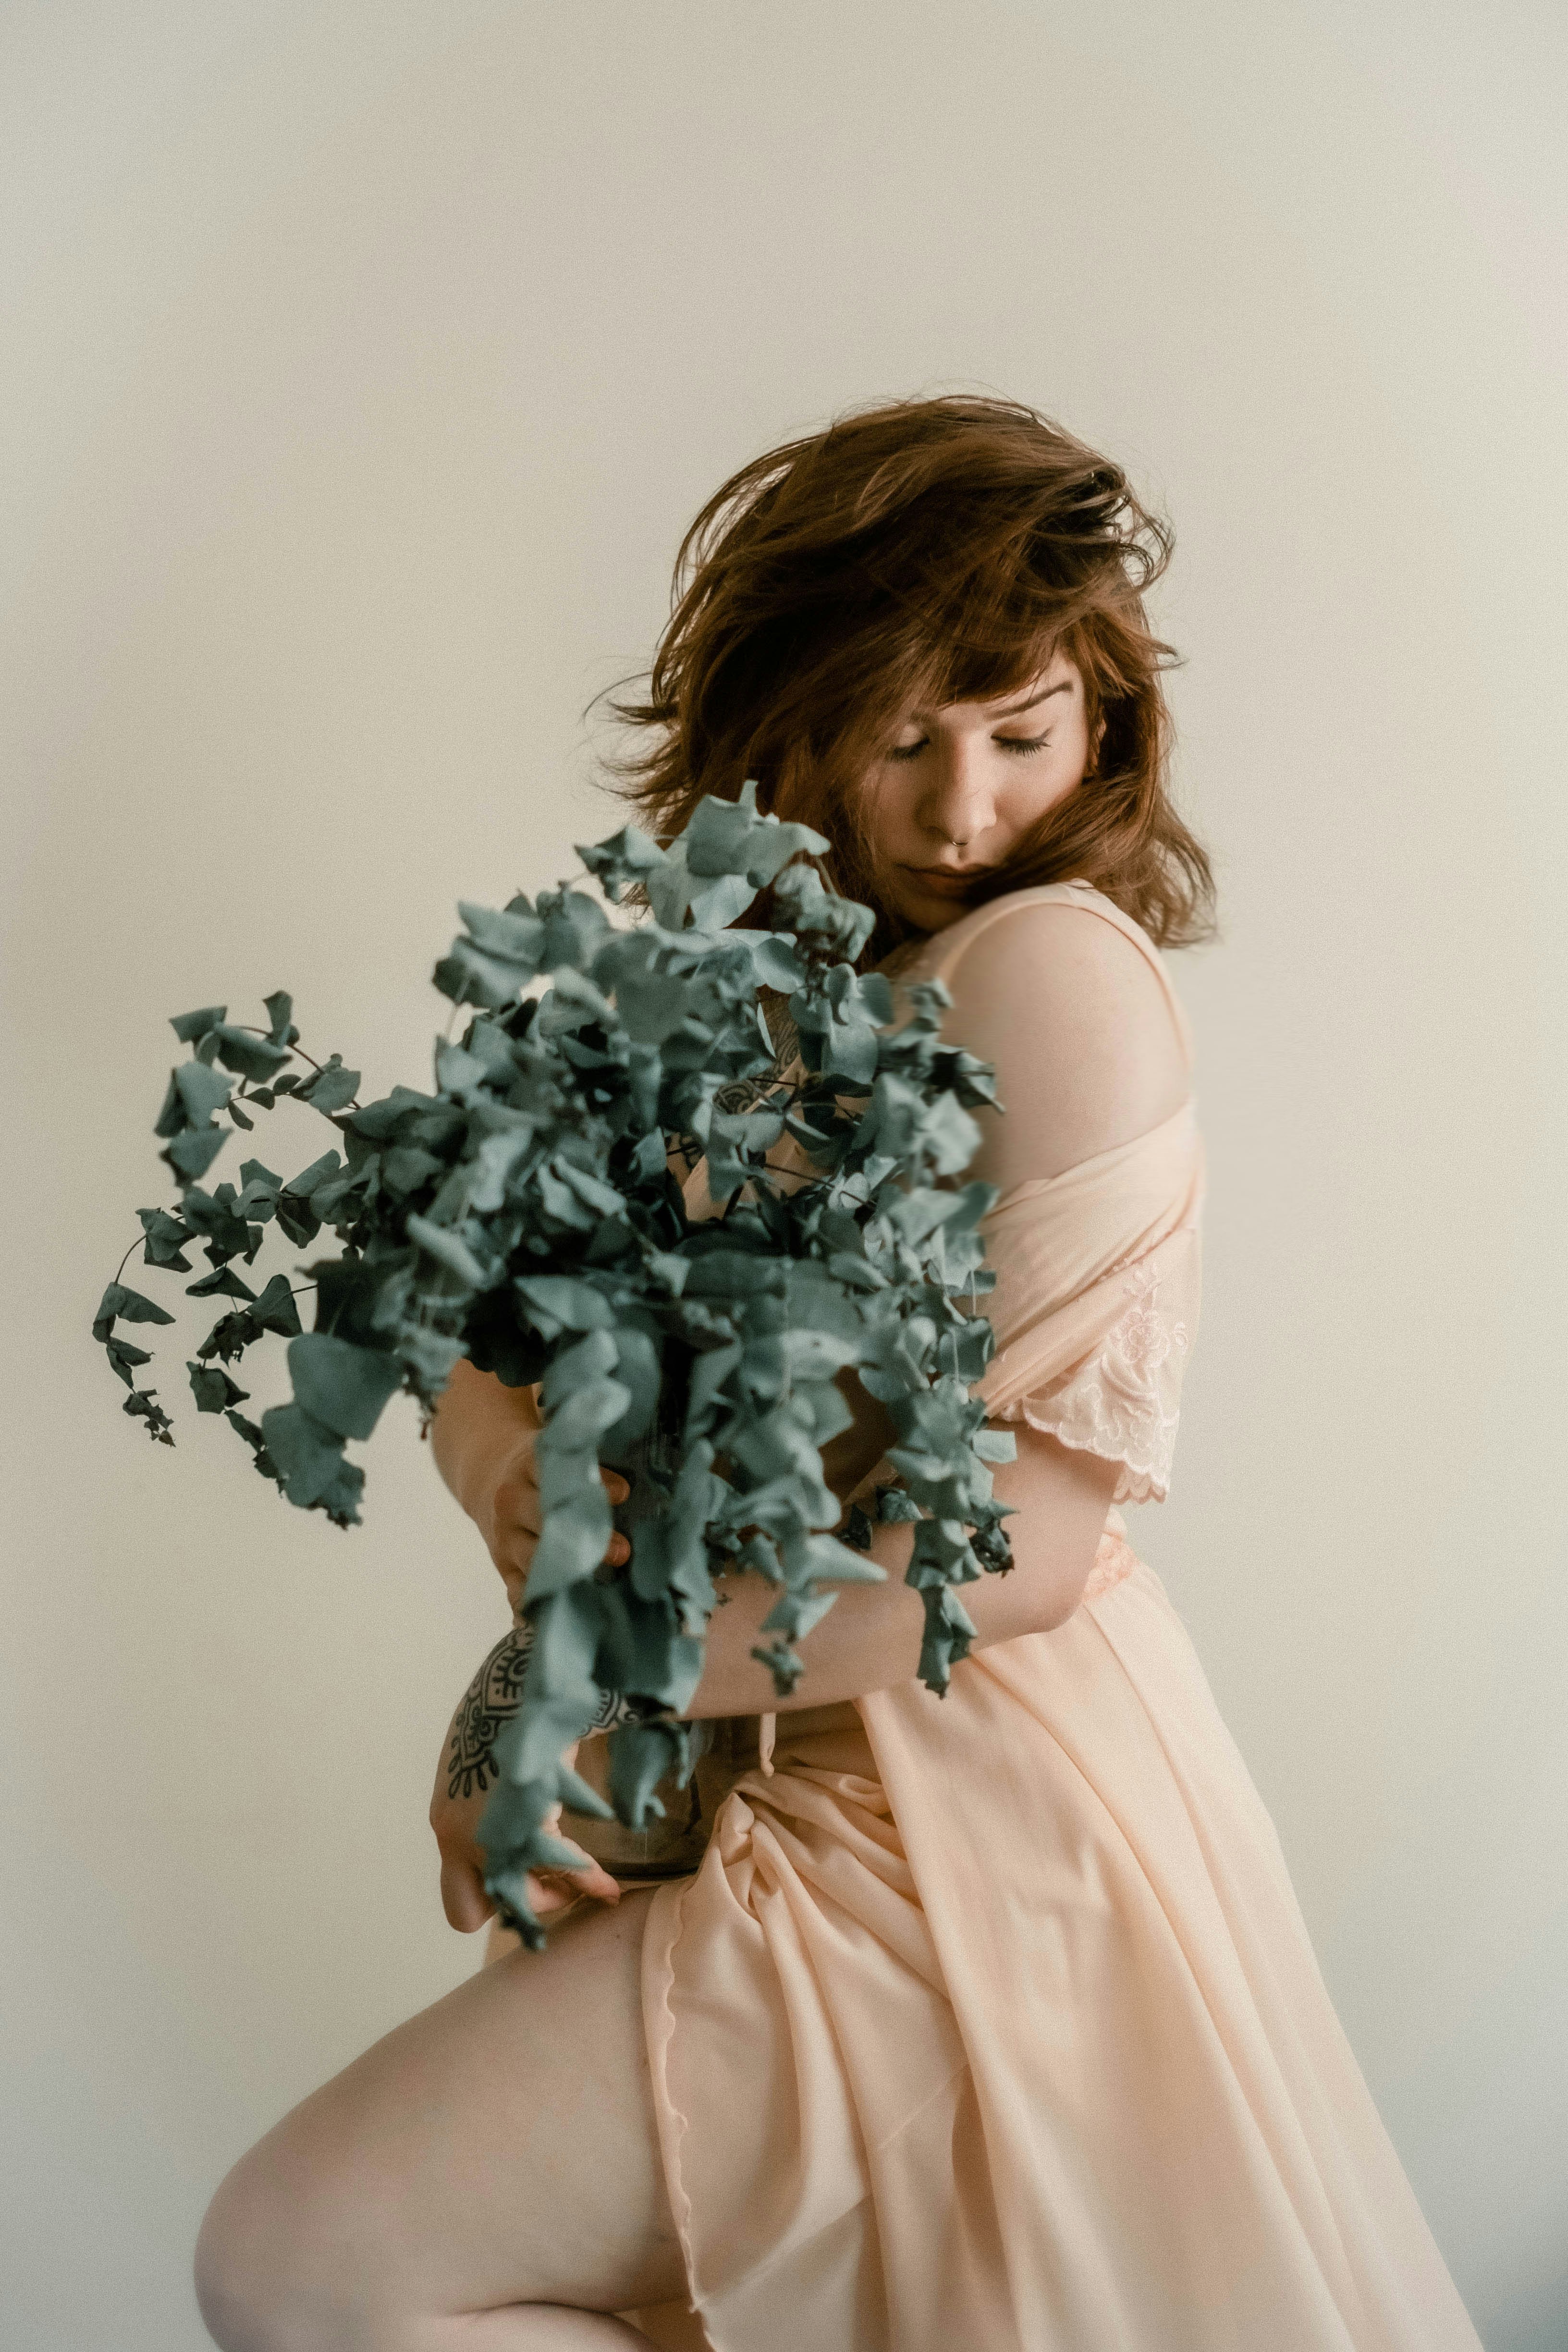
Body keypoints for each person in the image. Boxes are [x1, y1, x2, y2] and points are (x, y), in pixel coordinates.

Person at [194, 397, 1484, 2351]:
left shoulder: (1042, 967)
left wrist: (572, 1678)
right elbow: (476, 1318)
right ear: (788, 724)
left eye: (1023, 736)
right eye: (903, 739)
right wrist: (502, 1476)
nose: (968, 809)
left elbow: (1024, 1552)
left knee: (310, 2261)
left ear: (1108, 726)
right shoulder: (793, 1005)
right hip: (798, 1754)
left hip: (953, 1803)